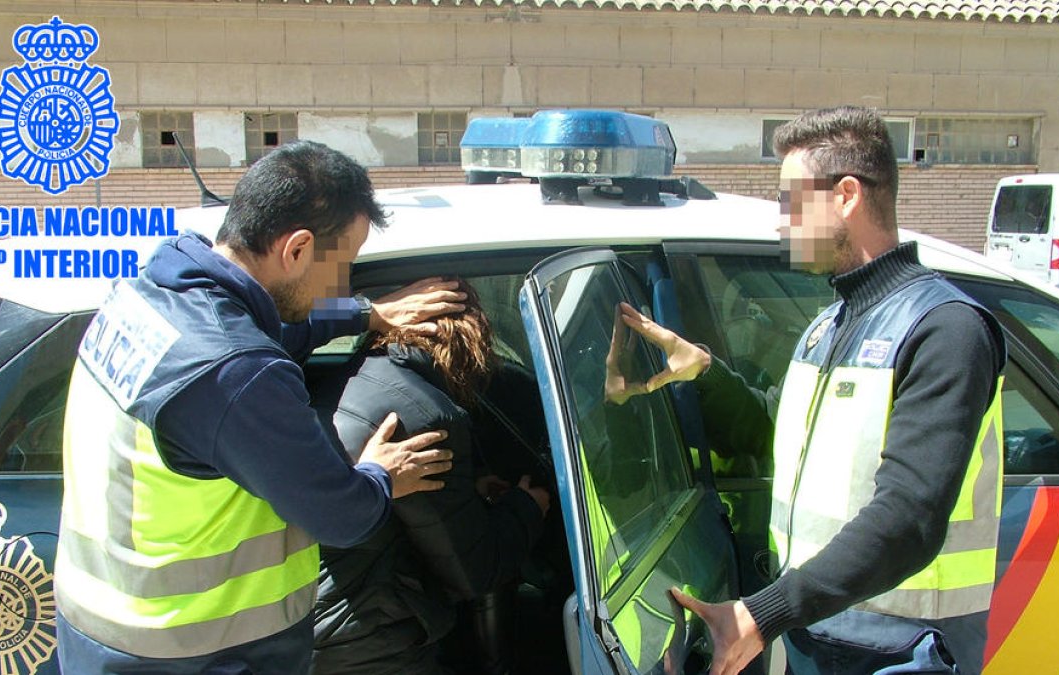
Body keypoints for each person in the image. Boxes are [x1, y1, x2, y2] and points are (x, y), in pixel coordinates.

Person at [609, 106, 1006, 674]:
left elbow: (909, 517)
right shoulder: (832, 324)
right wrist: (703, 372)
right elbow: (781, 433)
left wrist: (763, 613)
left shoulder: (945, 328)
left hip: (901, 652)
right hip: (818, 640)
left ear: (846, 195)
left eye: (789, 202)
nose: (780, 222)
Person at [54, 140, 467, 674]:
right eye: (343, 266)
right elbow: (341, 516)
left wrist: (364, 315)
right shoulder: (238, 374)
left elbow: (263, 333)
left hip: (99, 630)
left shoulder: (147, 297)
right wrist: (380, 475)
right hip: (198, 655)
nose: (342, 284)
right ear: (295, 250)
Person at [309, 278, 550, 675]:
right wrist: (526, 507)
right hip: (371, 644)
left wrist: (469, 490)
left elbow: (407, 514)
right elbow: (476, 570)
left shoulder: (348, 380)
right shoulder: (425, 416)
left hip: (308, 621)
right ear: (470, 338)